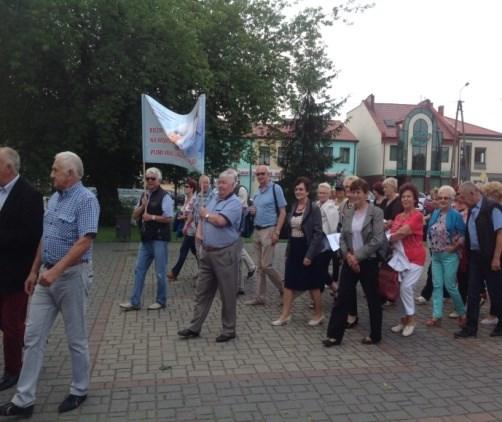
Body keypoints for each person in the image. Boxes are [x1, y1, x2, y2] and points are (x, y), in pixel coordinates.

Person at [0, 151, 99, 417]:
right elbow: (46, 237)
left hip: (72, 277)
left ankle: (79, 389)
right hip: (46, 276)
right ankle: (24, 400)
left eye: (55, 170)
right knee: (32, 338)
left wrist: (56, 270)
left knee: (75, 337)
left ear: (70, 174)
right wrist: (34, 270)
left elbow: (85, 241)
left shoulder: (86, 200)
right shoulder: (54, 199)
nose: (51, 174)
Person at [177, 169, 242, 342]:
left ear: (233, 185)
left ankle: (229, 330)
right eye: (219, 182)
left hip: (225, 253)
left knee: (227, 294)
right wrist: (199, 230)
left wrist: (205, 214)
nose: (220, 185)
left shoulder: (235, 203)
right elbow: (202, 217)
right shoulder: (213, 198)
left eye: (224, 183)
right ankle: (194, 327)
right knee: (202, 292)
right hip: (207, 252)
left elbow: (220, 221)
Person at [0, 147, 43, 392]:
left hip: (17, 272)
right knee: (8, 323)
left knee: (12, 324)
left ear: (8, 167)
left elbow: (30, 235)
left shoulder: (30, 195)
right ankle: (31, 345)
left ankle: (13, 370)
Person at [323, 178, 384, 346]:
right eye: (352, 192)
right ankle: (334, 335)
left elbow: (378, 239)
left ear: (366, 194)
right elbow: (342, 237)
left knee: (372, 299)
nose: (354, 195)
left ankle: (375, 334)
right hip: (349, 261)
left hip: (368, 261)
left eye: (358, 192)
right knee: (342, 297)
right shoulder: (349, 211)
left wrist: (357, 256)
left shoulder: (376, 212)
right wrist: (348, 256)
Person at [271, 177, 330, 326]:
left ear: (308, 191)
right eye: (296, 189)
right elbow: (292, 230)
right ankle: (285, 315)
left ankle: (318, 314)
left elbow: (318, 233)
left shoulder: (314, 208)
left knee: (313, 285)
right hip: (294, 248)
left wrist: (309, 255)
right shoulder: (294, 206)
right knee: (289, 283)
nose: (298, 192)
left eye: (301, 189)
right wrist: (287, 251)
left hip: (308, 248)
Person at [120, 168, 173, 311]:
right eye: (147, 178)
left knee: (160, 272)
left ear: (159, 180)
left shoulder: (165, 196)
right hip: (145, 240)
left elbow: (168, 218)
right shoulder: (144, 195)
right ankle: (134, 301)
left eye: (152, 178)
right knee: (139, 270)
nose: (149, 181)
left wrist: (152, 217)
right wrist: (143, 205)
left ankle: (161, 301)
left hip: (159, 239)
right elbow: (135, 215)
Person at [454, 182, 502, 339]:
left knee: (496, 292)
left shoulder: (492, 207)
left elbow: (500, 234)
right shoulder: (472, 209)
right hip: (475, 257)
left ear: (473, 193)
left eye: (463, 196)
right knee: (472, 292)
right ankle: (470, 328)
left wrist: (496, 258)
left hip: (490, 258)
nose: (461, 200)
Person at [244, 165, 286, 305]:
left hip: (269, 230)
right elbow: (255, 209)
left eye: (263, 173)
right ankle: (260, 297)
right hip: (257, 230)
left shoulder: (276, 189)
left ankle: (284, 289)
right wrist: (252, 210)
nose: (260, 176)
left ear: (268, 175)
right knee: (259, 267)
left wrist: (277, 231)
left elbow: (283, 212)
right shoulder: (257, 192)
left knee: (266, 265)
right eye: (258, 174)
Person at [425, 185, 466, 328]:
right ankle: (437, 316)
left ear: (451, 199)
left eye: (446, 198)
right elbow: (430, 230)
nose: (442, 200)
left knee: (450, 286)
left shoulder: (456, 215)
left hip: (449, 256)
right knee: (437, 286)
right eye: (440, 198)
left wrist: (454, 247)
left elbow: (462, 235)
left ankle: (462, 312)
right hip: (435, 255)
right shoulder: (435, 213)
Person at [389, 183, 425, 337]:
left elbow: (401, 233)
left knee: (406, 287)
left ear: (415, 199)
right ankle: (404, 319)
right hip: (400, 258)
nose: (405, 199)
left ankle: (412, 320)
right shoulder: (398, 216)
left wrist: (393, 234)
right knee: (400, 290)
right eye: (403, 196)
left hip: (415, 258)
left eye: (409, 196)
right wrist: (393, 235)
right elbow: (392, 235)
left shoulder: (417, 216)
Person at [168, 178, 198, 281]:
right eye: (184, 186)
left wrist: (184, 217)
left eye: (186, 187)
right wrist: (182, 216)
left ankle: (174, 273)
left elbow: (194, 215)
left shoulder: (195, 199)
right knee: (195, 252)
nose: (185, 188)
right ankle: (205, 270)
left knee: (183, 251)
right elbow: (185, 212)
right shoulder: (186, 198)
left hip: (193, 230)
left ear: (192, 188)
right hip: (187, 229)